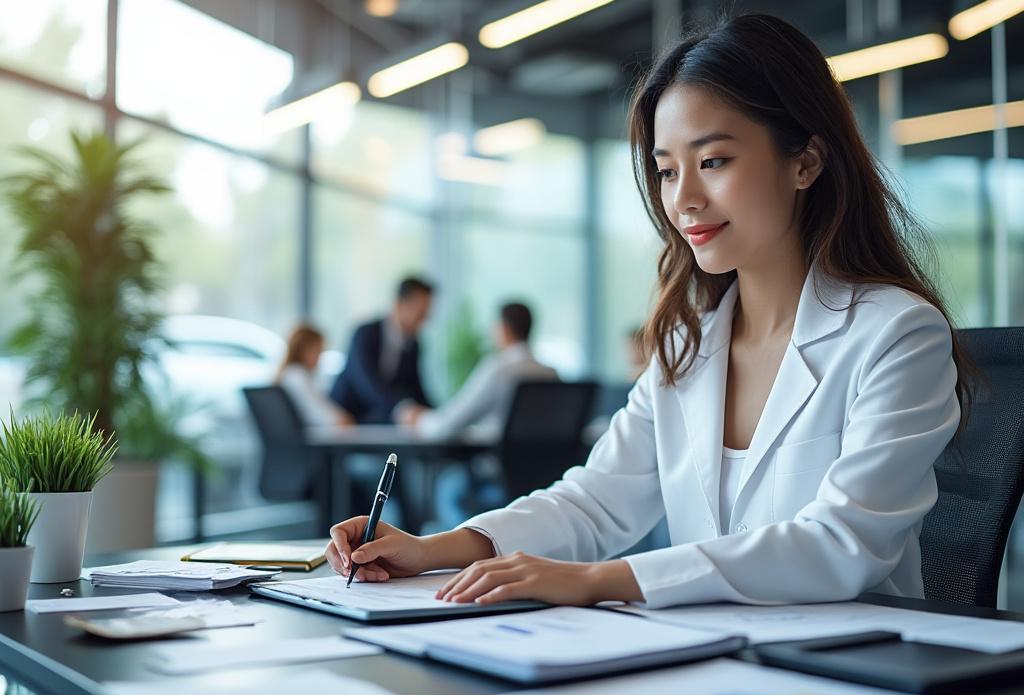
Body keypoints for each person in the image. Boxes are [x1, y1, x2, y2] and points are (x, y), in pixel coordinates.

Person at [324, 14, 969, 610]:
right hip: (712, 661)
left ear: (805, 161)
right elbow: (595, 502)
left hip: (856, 670)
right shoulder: (687, 348)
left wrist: (602, 580)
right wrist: (434, 548)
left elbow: (842, 543)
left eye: (713, 161)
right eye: (666, 170)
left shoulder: (895, 333)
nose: (684, 199)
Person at [401, 302, 558, 439]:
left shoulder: (499, 370)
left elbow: (450, 422)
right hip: (547, 469)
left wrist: (419, 421)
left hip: (493, 467)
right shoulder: (551, 374)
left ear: (503, 328)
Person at [329, 277, 434, 424]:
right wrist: (401, 409)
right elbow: (366, 382)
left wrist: (434, 414)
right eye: (420, 312)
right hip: (345, 419)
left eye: (426, 314)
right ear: (399, 304)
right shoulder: (365, 334)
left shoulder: (413, 344)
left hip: (379, 420)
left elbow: (415, 388)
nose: (424, 320)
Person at [275, 324, 353, 428]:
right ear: (305, 350)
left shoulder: (289, 374)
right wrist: (345, 420)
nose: (320, 357)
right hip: (313, 436)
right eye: (319, 350)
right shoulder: (297, 376)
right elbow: (328, 417)